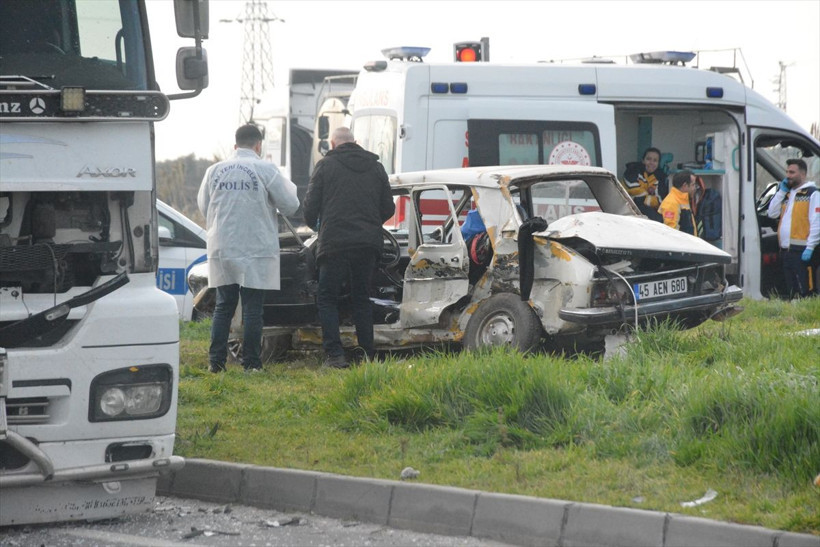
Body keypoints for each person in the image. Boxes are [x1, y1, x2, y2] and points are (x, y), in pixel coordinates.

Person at [197, 124, 300, 373]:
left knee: (224, 305)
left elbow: (204, 206)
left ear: (235, 145)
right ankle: (252, 364)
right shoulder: (265, 169)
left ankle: (216, 363)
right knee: (253, 307)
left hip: (223, 245)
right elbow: (290, 205)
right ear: (258, 145)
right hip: (256, 246)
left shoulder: (214, 171)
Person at [303, 127, 395, 368]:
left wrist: (317, 226)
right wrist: (370, 224)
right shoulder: (376, 167)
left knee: (327, 298)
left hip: (333, 243)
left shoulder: (325, 166)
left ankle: (335, 356)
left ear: (333, 144)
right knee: (362, 298)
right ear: (356, 142)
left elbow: (309, 208)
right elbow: (388, 208)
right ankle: (366, 354)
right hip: (367, 245)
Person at [766, 158, 819, 298]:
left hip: (801, 251)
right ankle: (793, 315)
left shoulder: (812, 194)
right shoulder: (788, 194)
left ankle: (805, 316)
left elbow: (816, 222)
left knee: (805, 290)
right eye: (787, 172)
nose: (788, 175)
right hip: (786, 251)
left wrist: (810, 247)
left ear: (802, 174)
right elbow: (772, 213)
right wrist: (781, 192)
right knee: (791, 289)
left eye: (792, 172)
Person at [622, 147, 666, 222]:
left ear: (658, 164)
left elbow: (661, 200)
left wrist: (644, 198)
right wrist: (649, 196)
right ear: (643, 160)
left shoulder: (660, 177)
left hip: (646, 213)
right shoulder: (632, 170)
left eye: (655, 160)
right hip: (626, 211)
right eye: (648, 159)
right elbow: (634, 191)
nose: (651, 162)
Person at [658, 170, 698, 236]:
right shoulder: (671, 203)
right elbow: (671, 233)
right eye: (693, 185)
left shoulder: (682, 199)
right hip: (681, 245)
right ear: (684, 185)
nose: (695, 188)